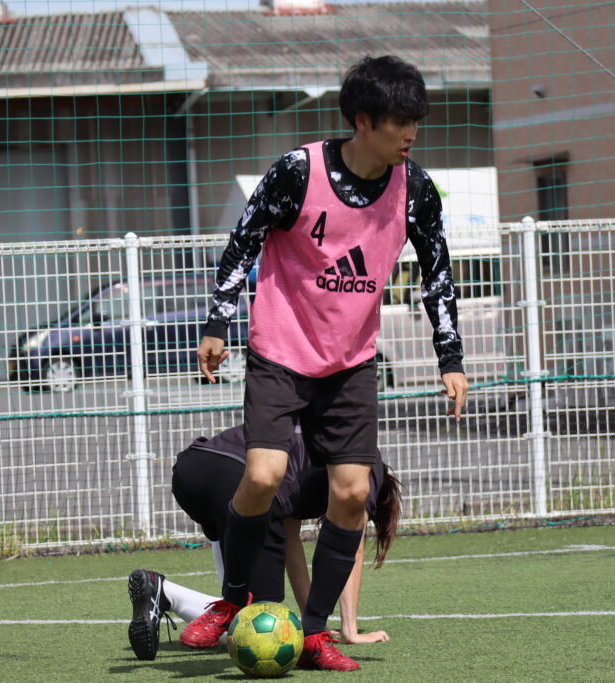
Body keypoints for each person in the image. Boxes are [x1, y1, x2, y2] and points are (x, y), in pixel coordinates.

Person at [191, 55, 469, 671]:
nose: (411, 133)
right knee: (264, 475)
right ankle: (232, 600)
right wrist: (217, 324)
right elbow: (243, 241)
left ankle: (315, 632)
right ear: (363, 121)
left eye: (416, 121)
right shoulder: (298, 172)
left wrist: (449, 356)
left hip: (351, 363)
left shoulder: (415, 189)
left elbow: (438, 275)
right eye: (400, 121)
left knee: (351, 492)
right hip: (281, 351)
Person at [128, 426, 401, 661]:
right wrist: (350, 631)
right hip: (238, 479)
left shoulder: (309, 449)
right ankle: (165, 592)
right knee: (260, 627)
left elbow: (291, 546)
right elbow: (352, 545)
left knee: (238, 607)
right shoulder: (366, 462)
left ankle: (169, 595)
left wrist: (313, 627)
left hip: (193, 469)